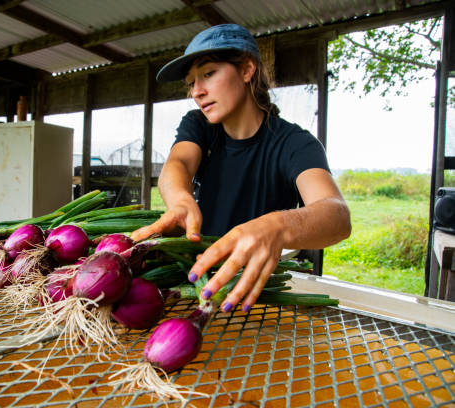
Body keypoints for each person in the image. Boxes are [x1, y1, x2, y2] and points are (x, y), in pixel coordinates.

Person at [131, 24, 351, 313]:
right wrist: (180, 198)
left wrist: (277, 226)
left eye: (208, 74)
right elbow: (179, 164)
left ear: (247, 70)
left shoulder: (295, 143)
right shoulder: (199, 126)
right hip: (199, 285)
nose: (197, 91)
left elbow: (336, 214)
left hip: (259, 295)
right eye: (190, 82)